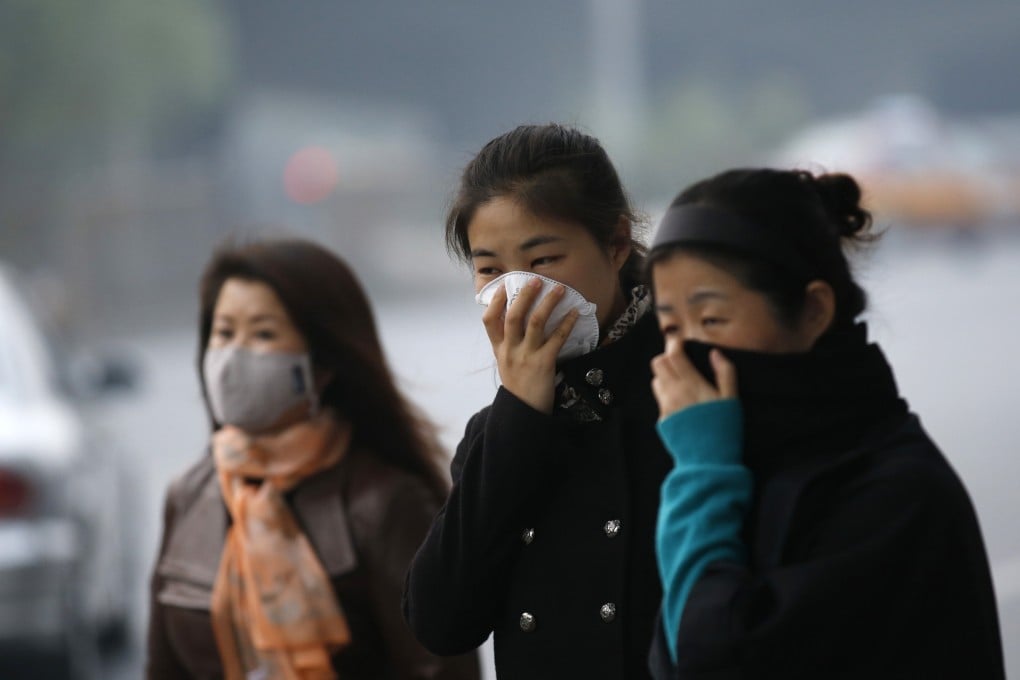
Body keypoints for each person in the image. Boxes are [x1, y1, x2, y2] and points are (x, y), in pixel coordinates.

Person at [645, 168, 1005, 678]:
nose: (683, 355)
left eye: (712, 321)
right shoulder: (747, 460)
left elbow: (719, 660)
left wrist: (700, 472)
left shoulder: (895, 491)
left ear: (813, 310)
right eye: (670, 328)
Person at [402, 124, 673, 678]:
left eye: (543, 260)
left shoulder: (690, 390)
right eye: (491, 270)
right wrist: (520, 415)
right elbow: (441, 622)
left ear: (616, 243)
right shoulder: (497, 434)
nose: (518, 292)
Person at [146, 239, 480, 680]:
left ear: (323, 365)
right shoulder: (190, 497)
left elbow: (440, 668)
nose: (233, 357)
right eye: (224, 333)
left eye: (263, 334)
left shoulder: (384, 504)